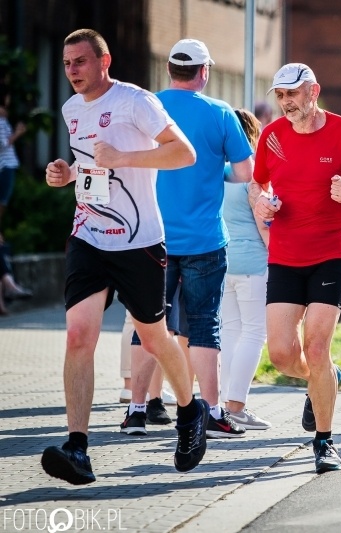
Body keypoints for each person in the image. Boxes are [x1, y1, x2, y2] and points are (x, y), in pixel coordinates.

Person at [41, 29, 209, 485]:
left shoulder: (136, 101)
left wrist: (123, 156)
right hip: (88, 235)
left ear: (104, 61)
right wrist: (66, 174)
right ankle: (77, 447)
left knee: (155, 339)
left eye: (79, 61)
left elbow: (183, 153)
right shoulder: (71, 108)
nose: (72, 71)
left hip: (139, 240)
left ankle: (191, 411)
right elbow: (89, 164)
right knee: (79, 335)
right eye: (66, 63)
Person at [125, 38, 254, 439]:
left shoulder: (149, 108)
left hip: (151, 236)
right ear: (204, 72)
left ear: (169, 70)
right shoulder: (219, 113)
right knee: (203, 324)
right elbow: (246, 172)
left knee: (147, 324)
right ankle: (213, 412)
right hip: (204, 238)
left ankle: (136, 410)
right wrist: (216, 173)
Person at [253, 63, 341, 473]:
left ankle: (324, 442)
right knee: (284, 355)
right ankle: (321, 379)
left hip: (331, 252)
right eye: (281, 96)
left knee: (317, 347)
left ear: (314, 91)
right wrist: (261, 201)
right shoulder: (272, 136)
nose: (286, 103)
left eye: (293, 94)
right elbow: (260, 183)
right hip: (285, 253)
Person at [219, 108, 272, 430]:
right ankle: (236, 406)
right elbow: (264, 222)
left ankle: (225, 404)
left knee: (229, 333)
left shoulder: (215, 173)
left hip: (223, 261)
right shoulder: (251, 176)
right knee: (254, 333)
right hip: (253, 262)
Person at [0, 95, 25, 241]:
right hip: (5, 165)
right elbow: (2, 144)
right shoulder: (1, 120)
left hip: (6, 164)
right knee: (3, 200)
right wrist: (18, 133)